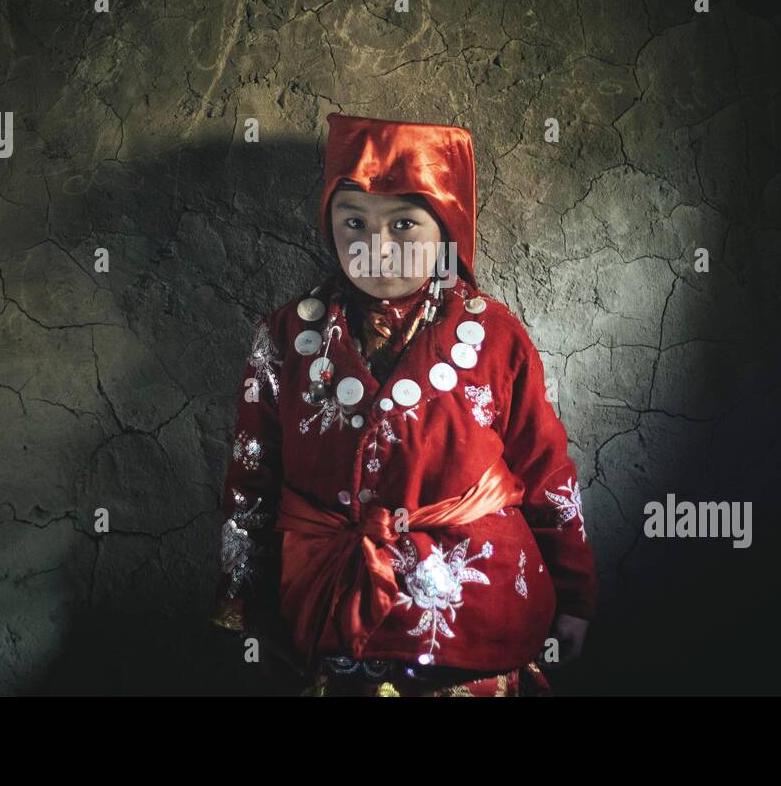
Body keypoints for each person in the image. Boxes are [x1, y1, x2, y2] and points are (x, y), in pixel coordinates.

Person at [210, 112, 597, 696]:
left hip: (473, 620)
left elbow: (547, 473)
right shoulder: (286, 339)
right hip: (328, 611)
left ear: (446, 224)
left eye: (405, 224)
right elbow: (252, 480)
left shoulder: (495, 337)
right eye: (354, 221)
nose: (376, 248)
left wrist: (576, 597)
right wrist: (246, 601)